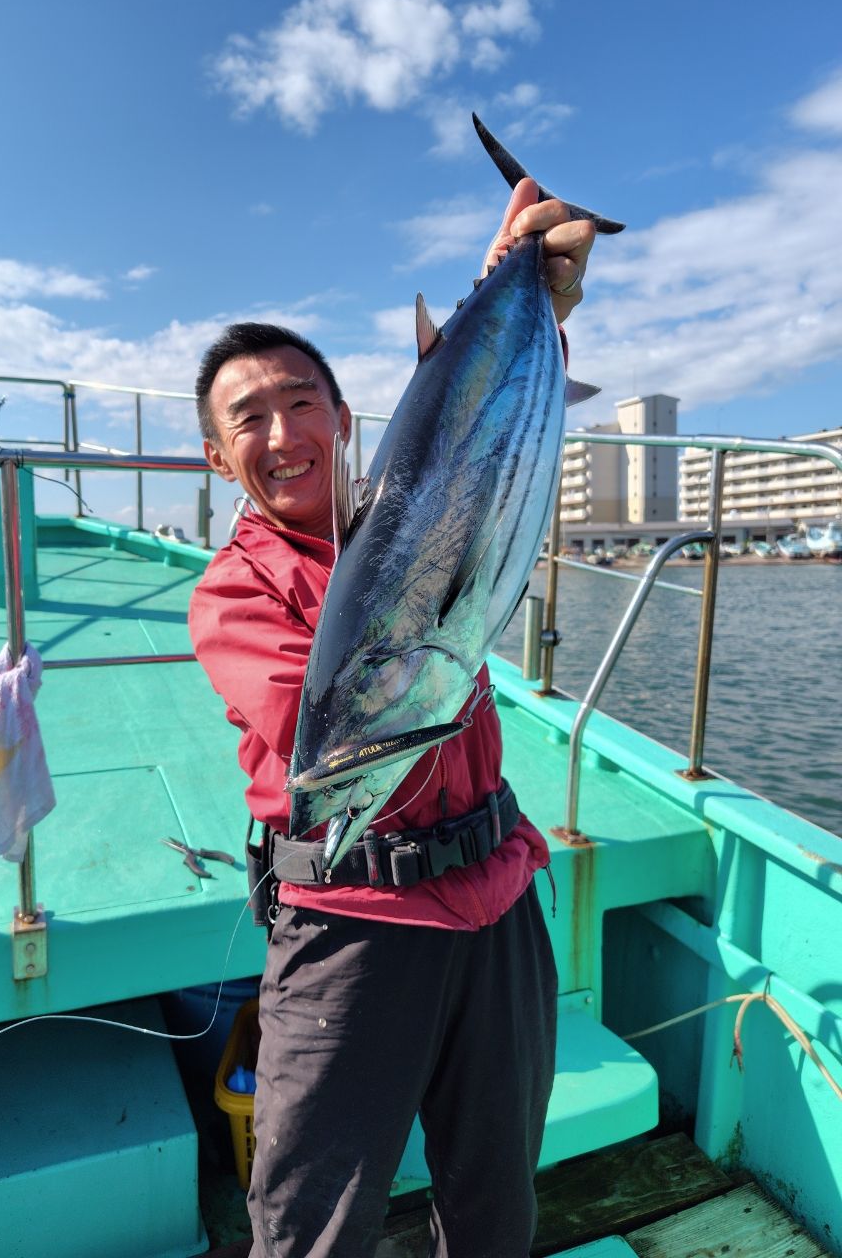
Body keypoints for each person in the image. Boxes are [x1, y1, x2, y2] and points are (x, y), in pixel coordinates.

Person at [189, 177, 597, 1258]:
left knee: (497, 1200)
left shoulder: (413, 502)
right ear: (218, 456)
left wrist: (528, 299)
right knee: (314, 1223)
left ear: (342, 418)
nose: (282, 433)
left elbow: (467, 439)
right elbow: (353, 736)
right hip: (352, 927)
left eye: (301, 403)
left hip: (499, 903)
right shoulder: (232, 591)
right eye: (249, 418)